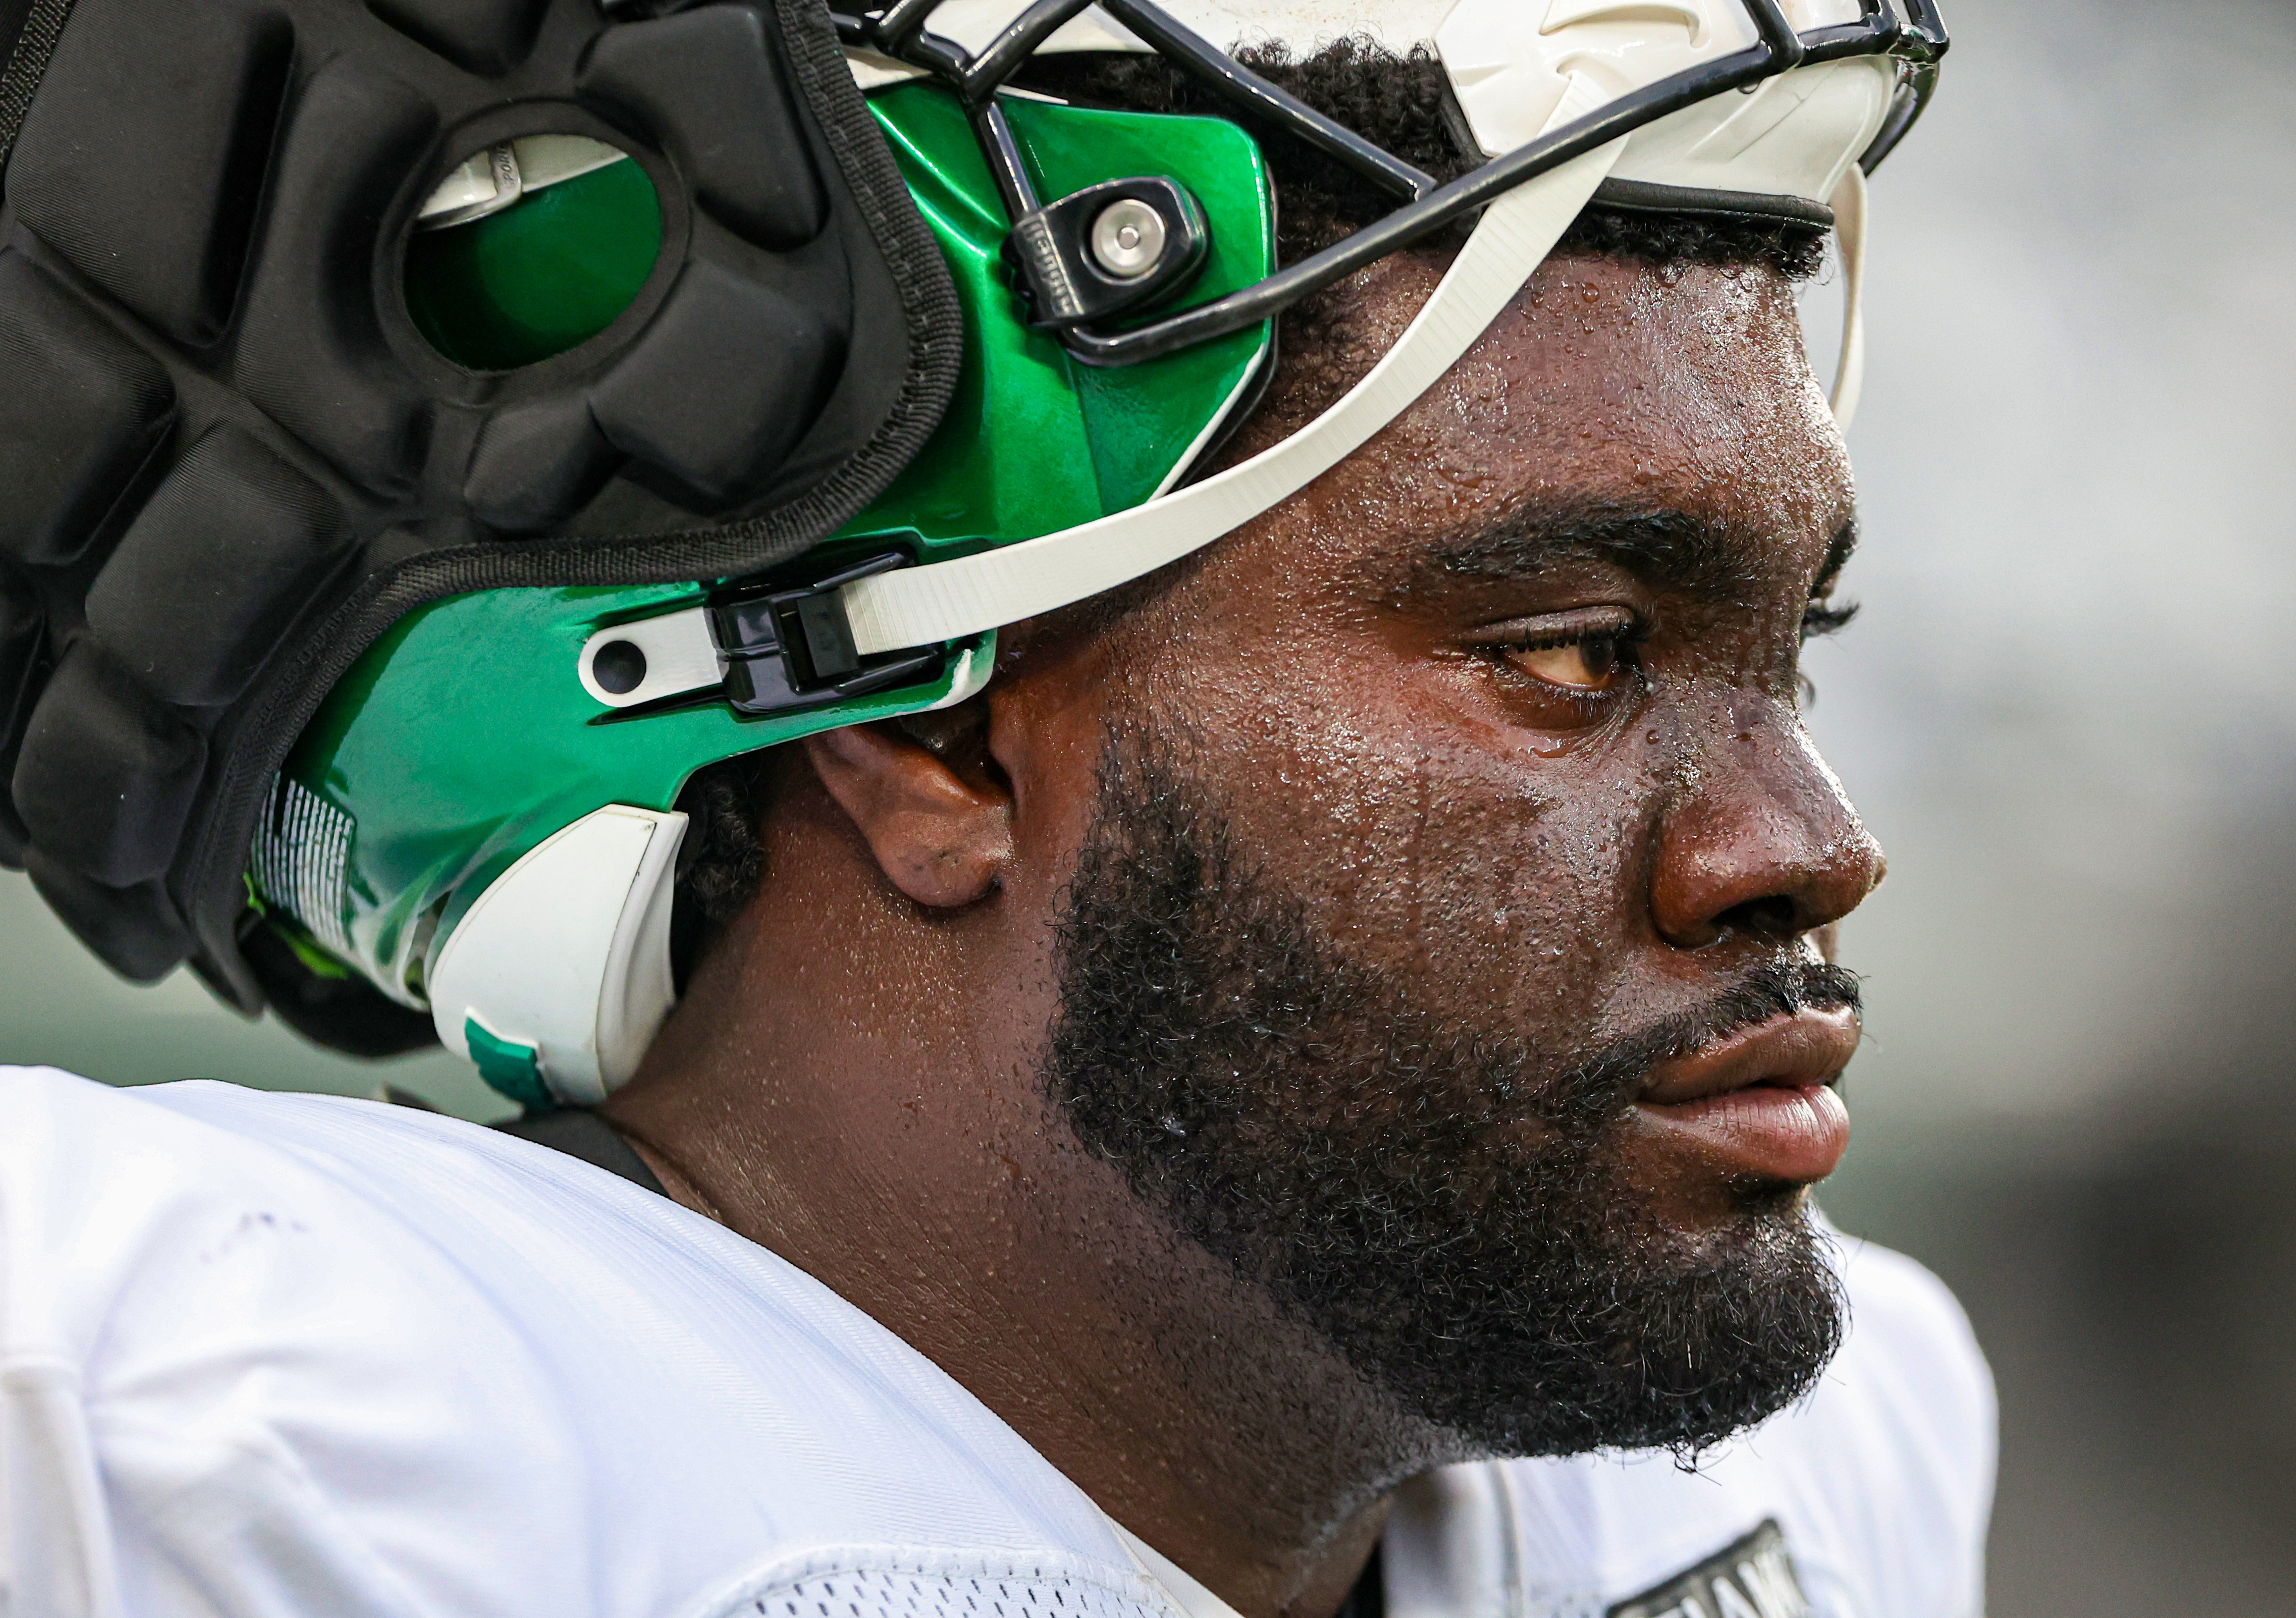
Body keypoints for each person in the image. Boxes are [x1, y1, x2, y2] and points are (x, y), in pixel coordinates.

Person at [0, 0, 1989, 1613]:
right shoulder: (176, 1438)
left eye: (1790, 651)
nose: (1808, 846)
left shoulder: (1851, 1454)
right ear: (929, 743)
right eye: (1574, 654)